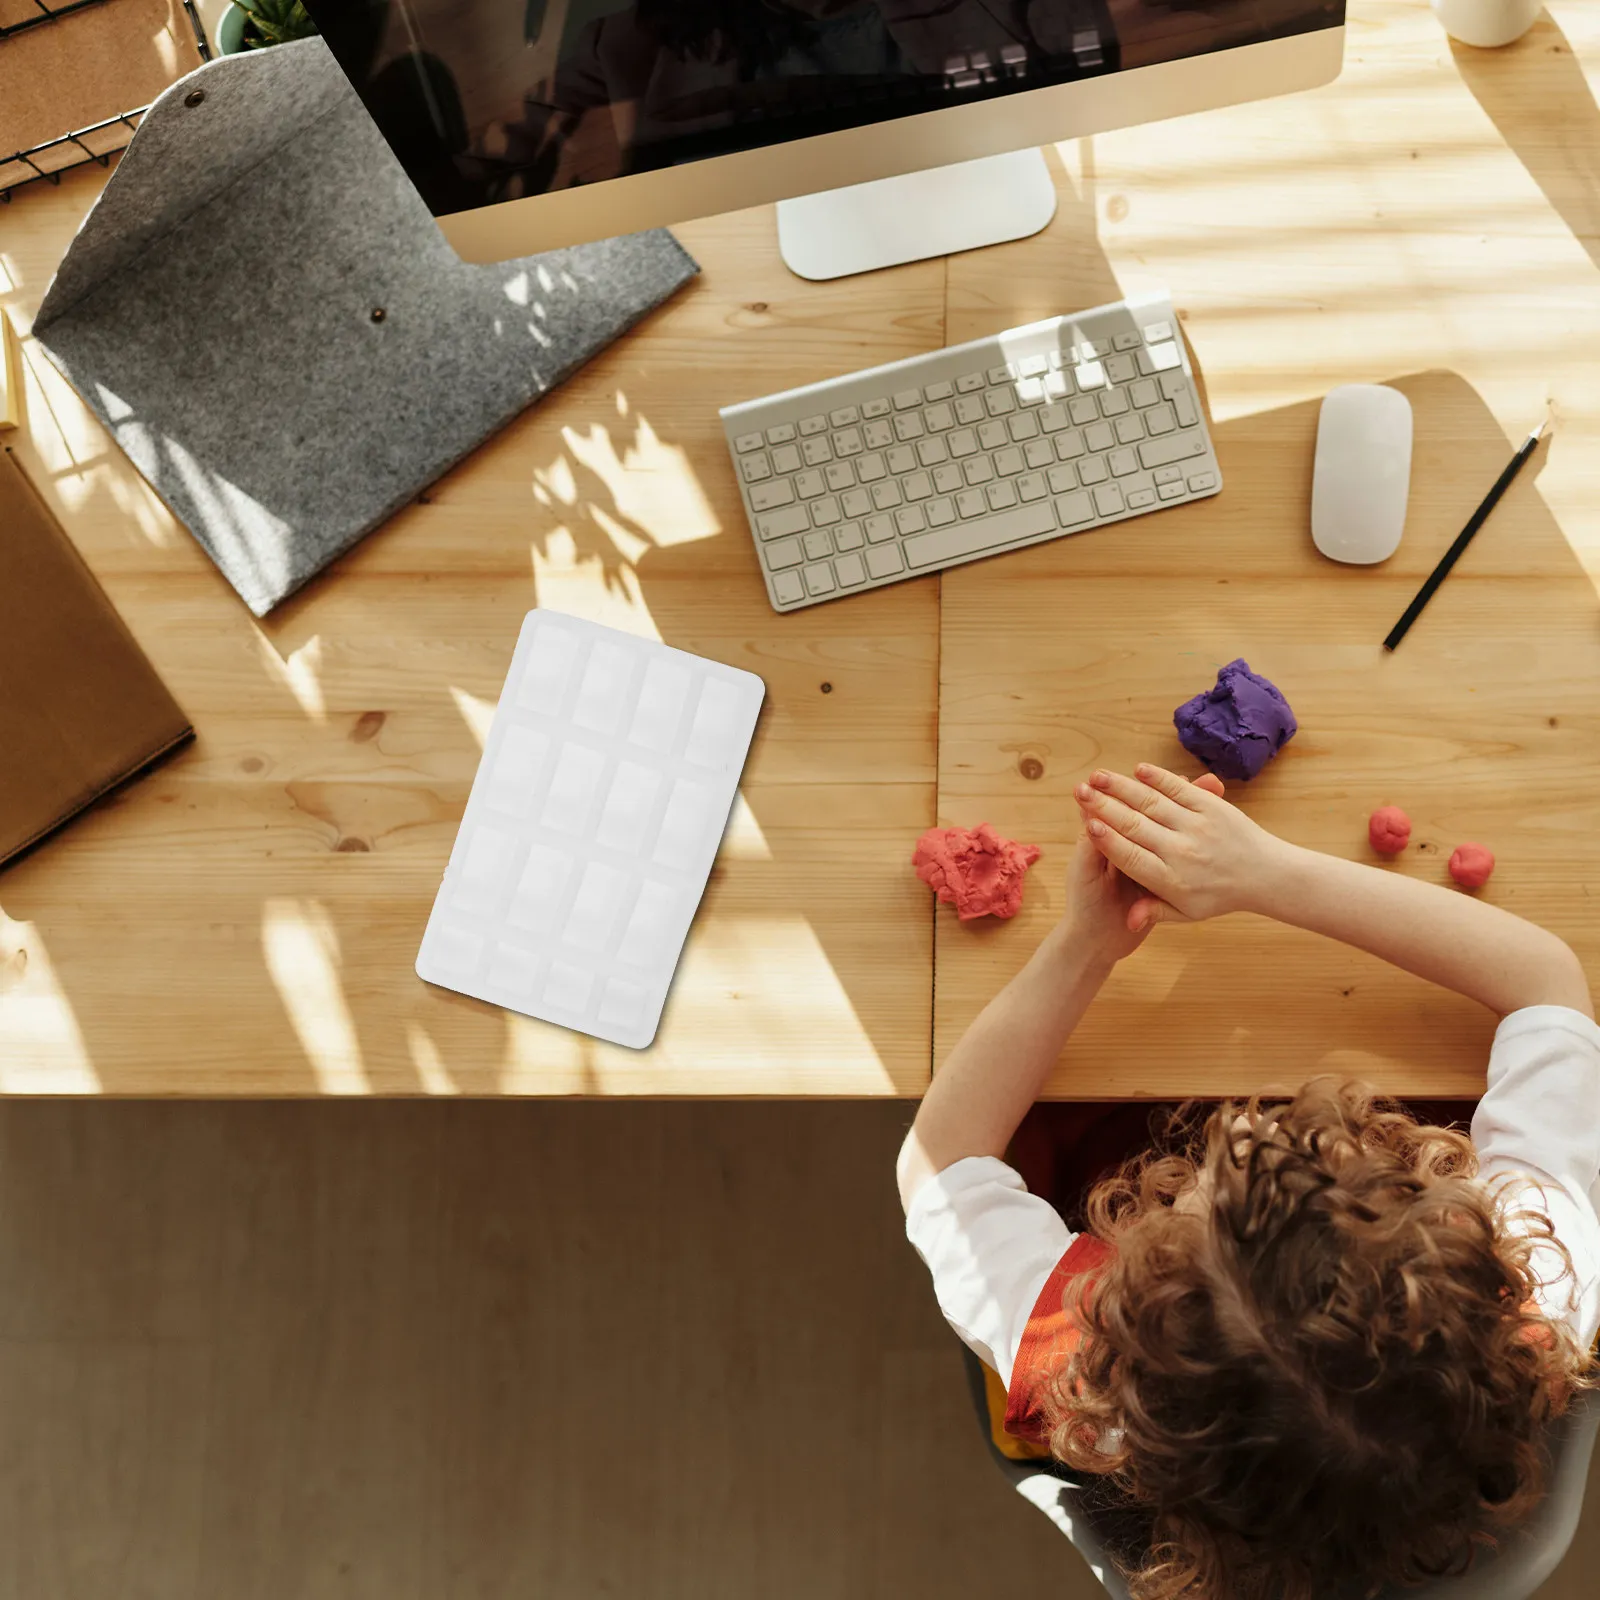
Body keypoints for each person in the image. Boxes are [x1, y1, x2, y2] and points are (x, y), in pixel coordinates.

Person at [898, 761, 1599, 1600]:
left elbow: (941, 1160)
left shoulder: (1084, 1359)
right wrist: (1268, 873)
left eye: (1212, 1189)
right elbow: (1546, 984)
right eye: (1321, 1158)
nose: (1249, 1123)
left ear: (1129, 1295)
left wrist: (1088, 939)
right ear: (1452, 1235)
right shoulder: (1535, 1274)